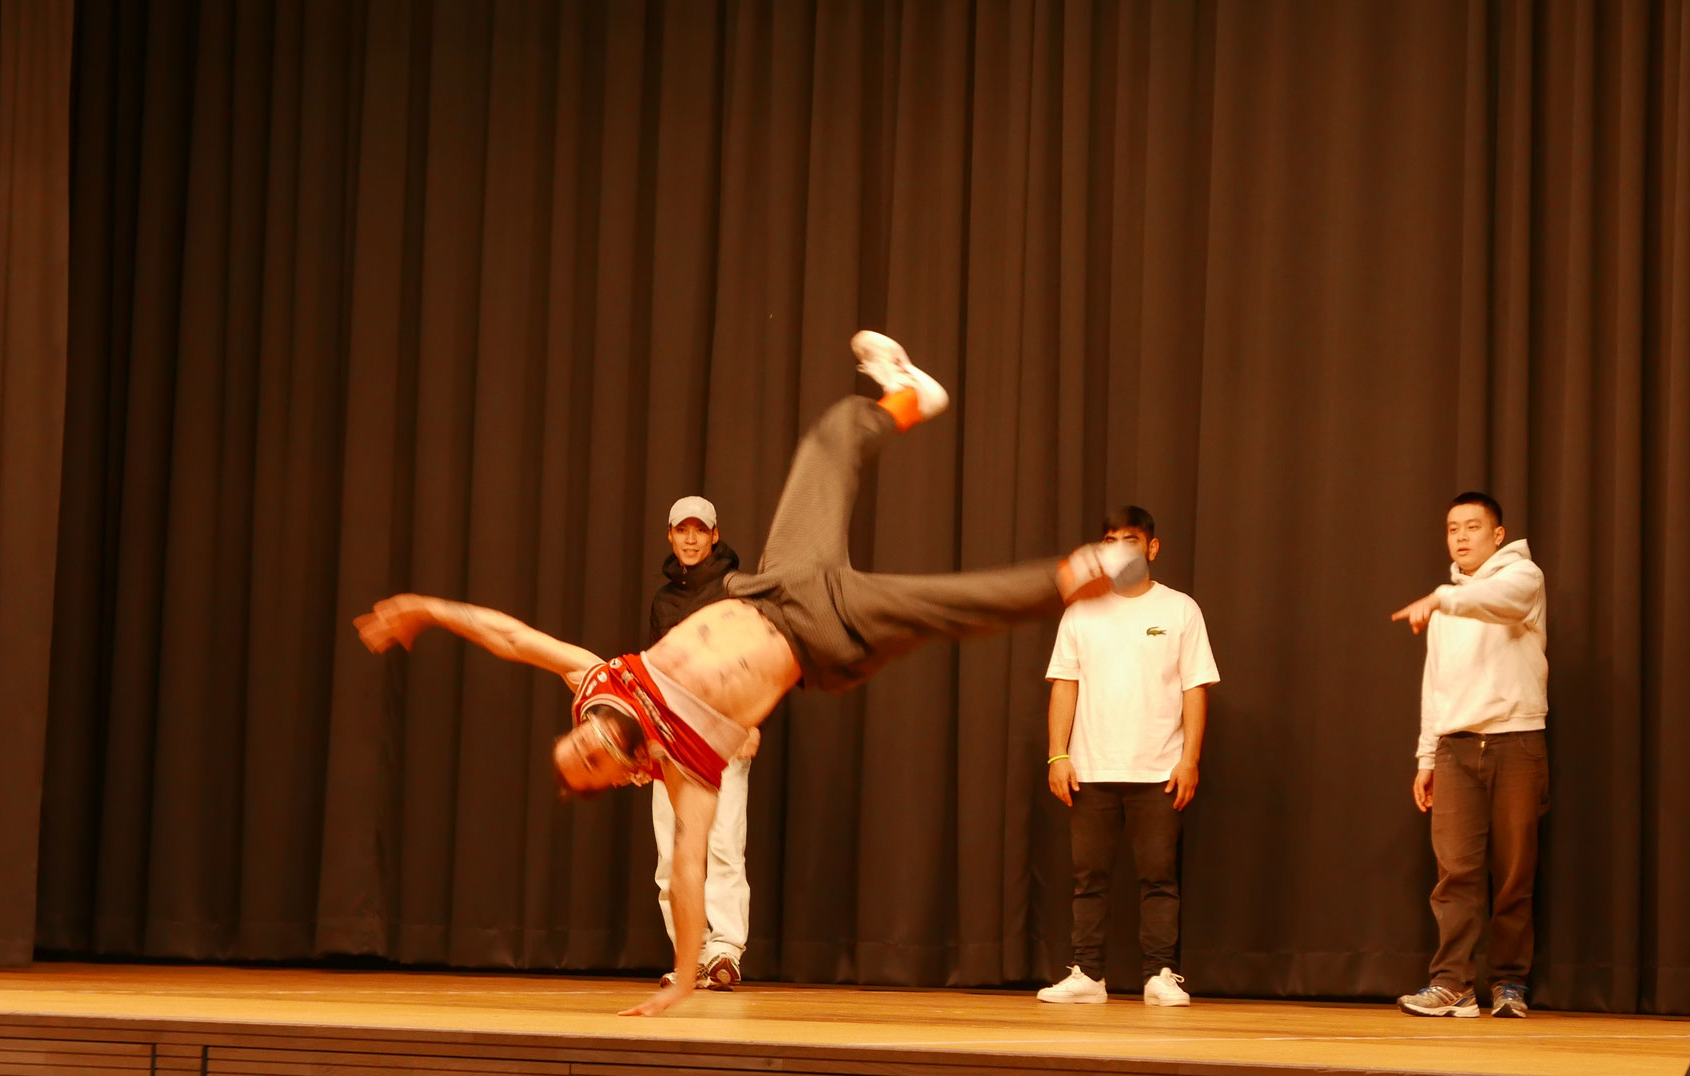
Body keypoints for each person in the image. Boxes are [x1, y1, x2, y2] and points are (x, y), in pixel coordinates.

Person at [354, 331, 1145, 1017]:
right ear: (621, 772)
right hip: (825, 634)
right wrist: (683, 982)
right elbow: (689, 873)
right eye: (588, 759)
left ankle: (903, 396)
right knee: (949, 606)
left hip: (779, 582)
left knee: (829, 440)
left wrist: (427, 606)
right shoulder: (686, 772)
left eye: (574, 741)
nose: (585, 739)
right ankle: (1079, 573)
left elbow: (513, 637)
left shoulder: (602, 683)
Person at [1037, 506, 1217, 1008]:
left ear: (1152, 548)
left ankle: (1160, 973)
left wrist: (1189, 760)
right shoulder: (1081, 610)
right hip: (1091, 767)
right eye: (1111, 540)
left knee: (1159, 878)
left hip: (1160, 769)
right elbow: (1064, 685)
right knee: (1087, 879)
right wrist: (1057, 755)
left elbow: (1195, 688)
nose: (1121, 549)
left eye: (1131, 540)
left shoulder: (1180, 609)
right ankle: (1087, 975)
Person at [1388, 491, 1549, 1019]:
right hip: (1456, 749)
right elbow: (1435, 685)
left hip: (1517, 742)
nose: (1460, 536)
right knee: (1455, 872)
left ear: (1497, 534)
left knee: (1513, 872)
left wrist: (1441, 598)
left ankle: (1509, 982)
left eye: (1472, 527)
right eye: (1453, 528)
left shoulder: (1523, 576)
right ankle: (1452, 983)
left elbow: (1501, 602)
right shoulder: (1446, 603)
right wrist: (1426, 757)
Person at [648, 496, 752, 993]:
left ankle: (725, 952)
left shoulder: (736, 590)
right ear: (670, 536)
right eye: (681, 530)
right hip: (670, 740)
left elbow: (758, 657)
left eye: (699, 530)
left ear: (714, 535)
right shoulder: (664, 601)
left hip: (721, 734)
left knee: (724, 846)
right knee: (672, 856)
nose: (690, 538)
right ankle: (690, 955)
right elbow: (658, 672)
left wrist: (752, 723)